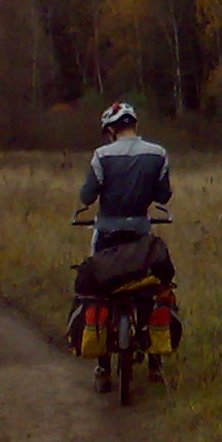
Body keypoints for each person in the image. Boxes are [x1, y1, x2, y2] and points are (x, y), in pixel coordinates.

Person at [78, 100, 172, 391]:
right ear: (134, 124)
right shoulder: (158, 153)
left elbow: (86, 196)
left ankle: (103, 367)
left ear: (110, 130)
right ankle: (154, 360)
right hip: (140, 232)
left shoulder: (101, 155)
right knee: (150, 288)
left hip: (107, 233)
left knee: (98, 292)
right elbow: (164, 196)